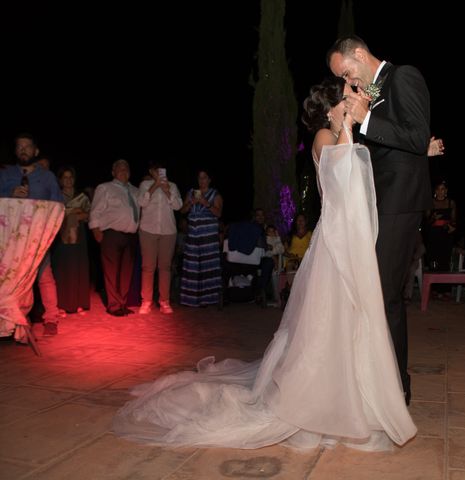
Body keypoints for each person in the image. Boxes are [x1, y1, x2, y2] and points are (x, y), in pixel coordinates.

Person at [113, 76, 416, 451]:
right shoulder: (325, 137)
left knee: (357, 321)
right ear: (333, 106)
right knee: (331, 323)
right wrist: (349, 129)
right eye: (349, 95)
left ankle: (359, 396)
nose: (356, 97)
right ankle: (325, 402)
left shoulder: (345, 135)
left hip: (353, 242)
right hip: (337, 243)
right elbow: (344, 185)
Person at [328, 35, 431, 405]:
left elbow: (416, 135)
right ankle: (383, 381)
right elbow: (393, 139)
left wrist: (366, 118)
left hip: (401, 200)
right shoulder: (373, 86)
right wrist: (349, 119)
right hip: (379, 200)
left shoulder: (403, 76)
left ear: (359, 53)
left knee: (385, 295)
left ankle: (396, 389)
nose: (348, 80)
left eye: (347, 71)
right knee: (378, 293)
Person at [0, 133, 64, 335]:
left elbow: (58, 206)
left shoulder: (47, 177)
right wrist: (9, 195)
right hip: (10, 240)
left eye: (27, 146)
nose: (23, 150)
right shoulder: (4, 173)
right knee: (12, 280)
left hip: (37, 239)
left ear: (35, 150)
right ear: (15, 151)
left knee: (45, 277)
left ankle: (51, 318)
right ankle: (13, 322)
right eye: (19, 146)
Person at [89, 159, 140, 317]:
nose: (124, 171)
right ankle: (113, 305)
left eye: (126, 168)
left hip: (131, 235)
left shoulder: (135, 190)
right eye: (120, 169)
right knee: (111, 271)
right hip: (111, 234)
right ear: (113, 172)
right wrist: (96, 230)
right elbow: (95, 210)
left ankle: (122, 303)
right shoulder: (105, 188)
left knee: (126, 272)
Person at [137, 162, 183, 314]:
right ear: (151, 171)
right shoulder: (145, 184)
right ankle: (146, 301)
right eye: (155, 170)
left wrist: (167, 190)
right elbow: (141, 202)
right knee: (148, 267)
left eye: (161, 170)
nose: (158, 172)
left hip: (168, 231)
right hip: (148, 229)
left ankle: (164, 301)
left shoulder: (172, 185)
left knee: (165, 267)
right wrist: (155, 186)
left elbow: (178, 206)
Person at [179, 170, 223, 307]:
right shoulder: (191, 192)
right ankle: (190, 299)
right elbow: (182, 211)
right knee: (192, 265)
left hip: (208, 236)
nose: (201, 180)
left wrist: (207, 204)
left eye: (204, 178)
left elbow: (218, 213)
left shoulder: (215, 194)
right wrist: (190, 203)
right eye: (199, 178)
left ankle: (209, 299)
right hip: (193, 234)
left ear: (209, 180)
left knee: (208, 265)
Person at [51, 166, 91, 314]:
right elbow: (54, 215)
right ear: (60, 180)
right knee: (62, 270)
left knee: (78, 268)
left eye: (70, 177)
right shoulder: (56, 196)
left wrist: (77, 215)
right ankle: (62, 305)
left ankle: (79, 303)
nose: (68, 180)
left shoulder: (82, 196)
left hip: (79, 237)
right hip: (61, 237)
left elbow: (89, 214)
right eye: (65, 177)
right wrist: (72, 214)